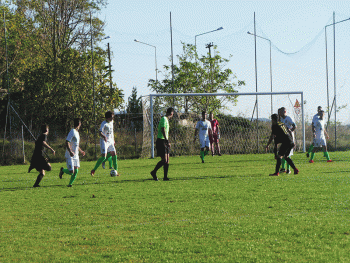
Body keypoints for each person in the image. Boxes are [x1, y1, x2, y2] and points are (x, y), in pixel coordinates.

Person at [91, 111, 119, 177]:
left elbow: (112, 131)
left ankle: (116, 171)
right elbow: (100, 132)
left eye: (113, 117)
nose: (112, 119)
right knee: (103, 157)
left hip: (110, 141)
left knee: (114, 154)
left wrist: (113, 139)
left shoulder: (111, 122)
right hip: (104, 141)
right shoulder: (103, 123)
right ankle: (93, 170)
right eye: (111, 117)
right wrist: (104, 136)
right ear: (107, 117)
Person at [59, 118, 85, 187]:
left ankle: (70, 184)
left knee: (76, 171)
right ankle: (63, 170)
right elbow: (67, 142)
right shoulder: (72, 131)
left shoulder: (77, 133)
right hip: (70, 155)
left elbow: (76, 145)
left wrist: (81, 151)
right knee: (71, 172)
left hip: (76, 155)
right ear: (79, 124)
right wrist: (70, 151)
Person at [150, 107, 174, 181]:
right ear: (171, 113)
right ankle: (153, 172)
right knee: (164, 160)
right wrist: (167, 140)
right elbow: (163, 129)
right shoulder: (163, 119)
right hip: (161, 141)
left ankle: (165, 177)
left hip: (164, 141)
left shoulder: (166, 120)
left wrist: (167, 141)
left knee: (167, 160)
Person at [279, 107, 296, 174]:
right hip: (284, 138)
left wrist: (291, 131)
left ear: (284, 112)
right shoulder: (281, 119)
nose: (280, 113)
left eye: (281, 112)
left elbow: (295, 126)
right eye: (279, 112)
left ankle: (288, 169)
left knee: (288, 154)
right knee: (283, 153)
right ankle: (283, 168)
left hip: (290, 138)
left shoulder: (288, 118)